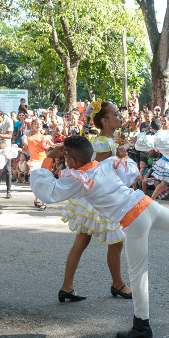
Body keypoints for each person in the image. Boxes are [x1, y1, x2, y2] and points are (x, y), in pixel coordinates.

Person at [30, 135, 169, 338]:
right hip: (146, 203)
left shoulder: (80, 180)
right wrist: (122, 153)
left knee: (138, 274)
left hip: (134, 220)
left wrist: (49, 158)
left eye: (66, 159)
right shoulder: (107, 164)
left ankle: (141, 326)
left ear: (72, 161)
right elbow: (129, 172)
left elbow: (49, 192)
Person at [57, 101, 133, 302]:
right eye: (116, 114)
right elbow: (95, 166)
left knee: (84, 242)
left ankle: (67, 287)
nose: (120, 117)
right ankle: (117, 284)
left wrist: (121, 147)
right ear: (105, 121)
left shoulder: (108, 140)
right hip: (99, 200)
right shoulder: (102, 142)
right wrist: (122, 149)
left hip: (96, 197)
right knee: (115, 241)